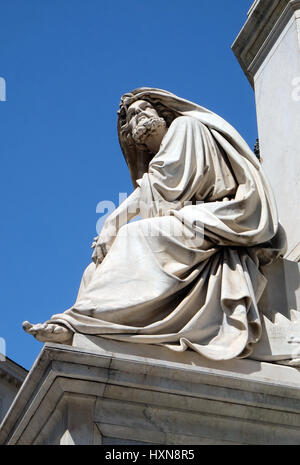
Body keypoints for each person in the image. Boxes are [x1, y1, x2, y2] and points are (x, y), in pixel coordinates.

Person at [23, 87, 285, 361]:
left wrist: (113, 223)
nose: (138, 117)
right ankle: (88, 326)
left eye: (143, 110)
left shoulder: (185, 127)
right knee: (94, 269)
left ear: (162, 113)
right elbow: (158, 196)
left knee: (135, 236)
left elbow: (165, 185)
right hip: (191, 219)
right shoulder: (157, 162)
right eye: (132, 117)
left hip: (220, 218)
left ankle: (82, 322)